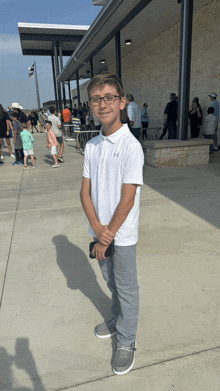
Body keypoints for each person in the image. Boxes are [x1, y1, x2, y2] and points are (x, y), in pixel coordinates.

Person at [80, 72, 144, 375]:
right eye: (96, 98)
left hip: (123, 236)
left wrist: (108, 236)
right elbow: (85, 191)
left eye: (109, 98)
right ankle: (116, 318)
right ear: (91, 104)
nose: (102, 104)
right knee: (110, 281)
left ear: (121, 102)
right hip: (100, 233)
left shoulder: (131, 146)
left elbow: (128, 199)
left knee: (127, 288)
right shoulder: (92, 145)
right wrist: (97, 229)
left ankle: (127, 340)